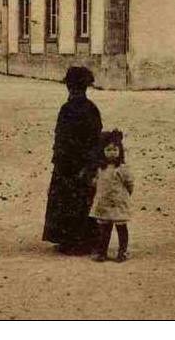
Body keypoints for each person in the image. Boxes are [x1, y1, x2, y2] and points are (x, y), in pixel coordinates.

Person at [43, 66, 102, 254]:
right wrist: (92, 164)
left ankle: (70, 240)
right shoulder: (92, 109)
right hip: (81, 162)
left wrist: (59, 160)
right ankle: (82, 240)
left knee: (68, 199)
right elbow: (96, 139)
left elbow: (61, 138)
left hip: (68, 163)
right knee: (81, 200)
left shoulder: (67, 109)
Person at [90, 130, 135, 262]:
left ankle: (122, 251)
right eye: (108, 150)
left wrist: (125, 196)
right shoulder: (100, 168)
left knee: (121, 227)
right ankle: (102, 252)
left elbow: (130, 184)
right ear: (102, 152)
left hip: (118, 203)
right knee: (104, 229)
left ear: (120, 151)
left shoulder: (121, 169)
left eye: (115, 149)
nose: (112, 153)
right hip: (104, 204)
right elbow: (96, 183)